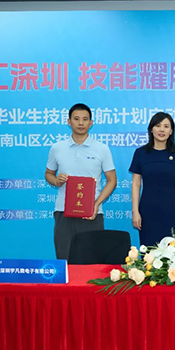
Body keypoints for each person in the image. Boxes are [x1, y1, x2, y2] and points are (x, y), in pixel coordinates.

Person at [45, 103, 117, 260]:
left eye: (85, 119)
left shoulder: (102, 149)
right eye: (76, 119)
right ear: (69, 122)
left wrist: (96, 204)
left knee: (91, 261)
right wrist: (56, 181)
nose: (80, 123)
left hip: (92, 214)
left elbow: (112, 180)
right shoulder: (57, 148)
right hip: (63, 212)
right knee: (64, 258)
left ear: (91, 123)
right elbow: (49, 173)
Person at [130, 112, 175, 247]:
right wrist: (135, 211)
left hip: (172, 210)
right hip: (147, 209)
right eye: (158, 125)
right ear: (151, 129)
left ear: (171, 131)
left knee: (173, 251)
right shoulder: (140, 153)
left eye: (166, 126)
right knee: (149, 251)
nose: (162, 130)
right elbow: (136, 184)